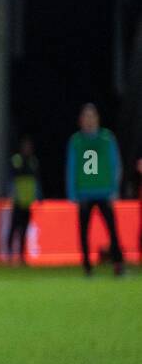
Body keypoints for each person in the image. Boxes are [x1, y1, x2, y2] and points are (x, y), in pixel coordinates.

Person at [66, 103, 124, 276]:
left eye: (92, 116)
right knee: (83, 232)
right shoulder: (76, 141)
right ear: (80, 120)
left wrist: (114, 190)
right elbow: (71, 167)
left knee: (113, 230)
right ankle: (87, 266)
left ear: (97, 119)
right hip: (84, 194)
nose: (89, 120)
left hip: (104, 192)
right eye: (86, 116)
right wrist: (72, 193)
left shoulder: (107, 138)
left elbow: (116, 164)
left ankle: (118, 263)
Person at [8, 135, 40, 265]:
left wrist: (38, 196)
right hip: (18, 201)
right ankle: (9, 253)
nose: (27, 149)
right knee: (14, 227)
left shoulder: (33, 161)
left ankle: (22, 255)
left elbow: (36, 180)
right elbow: (12, 178)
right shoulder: (17, 160)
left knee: (24, 229)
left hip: (28, 201)